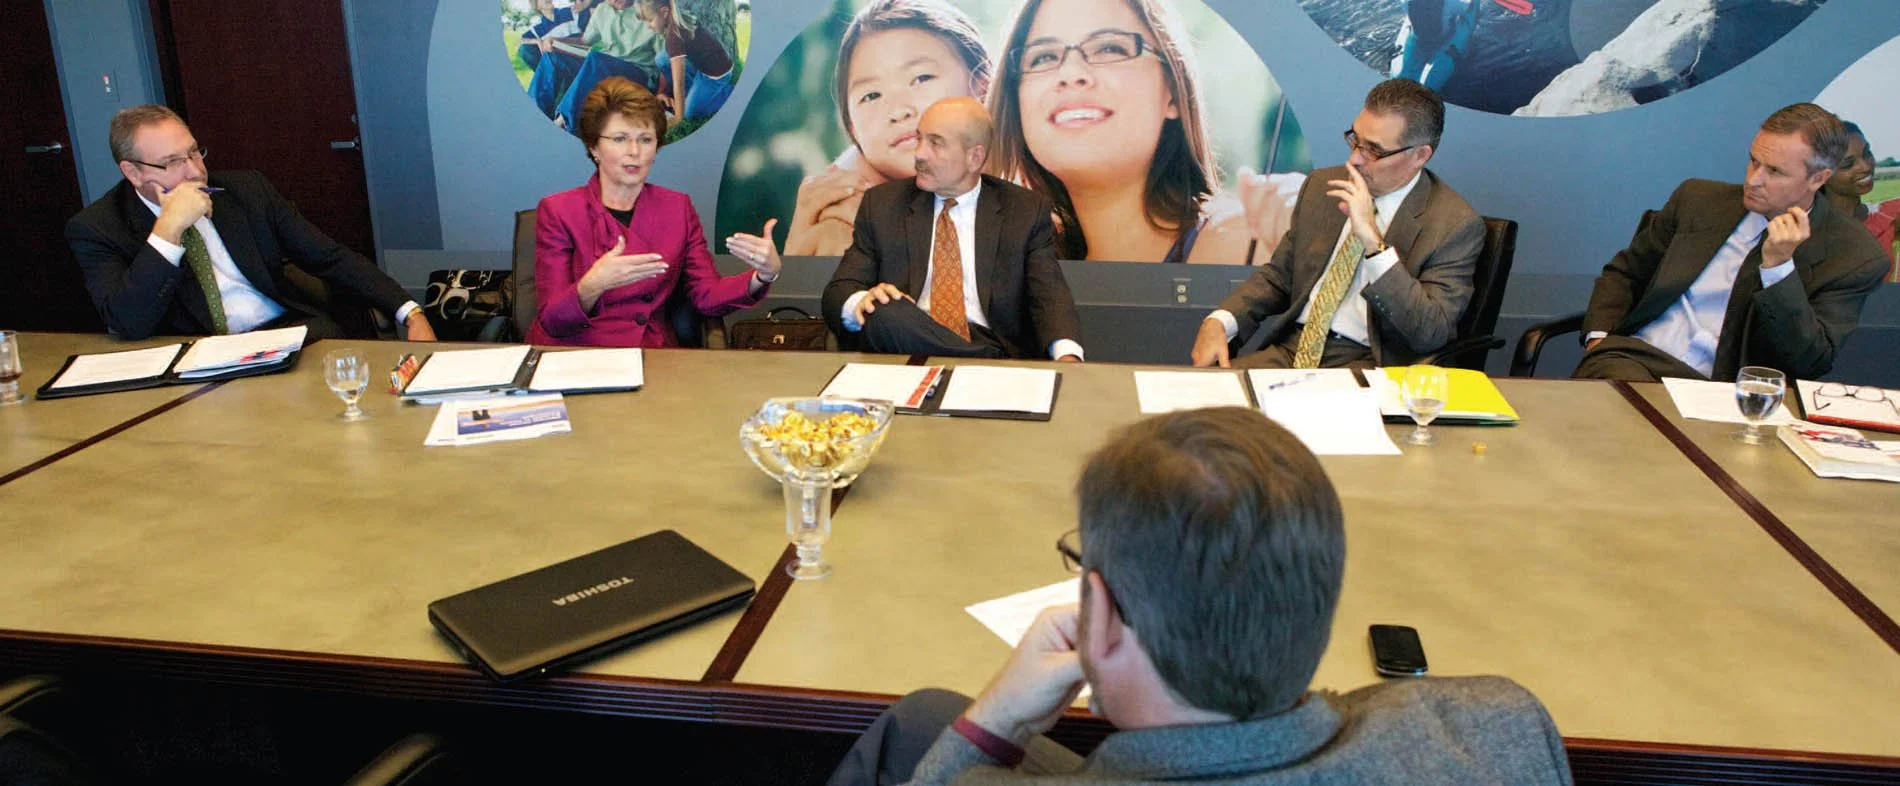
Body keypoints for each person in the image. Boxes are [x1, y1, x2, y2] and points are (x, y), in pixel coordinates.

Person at [825, 407, 1574, 786]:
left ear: (1103, 619)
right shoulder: (1498, 724)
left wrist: (998, 715)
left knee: (933, 724)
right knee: (917, 714)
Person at [65, 105, 435, 342]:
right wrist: (168, 232)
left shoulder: (245, 190)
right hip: (199, 359)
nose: (195, 170)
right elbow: (127, 322)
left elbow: (328, 257)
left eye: (194, 151)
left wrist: (408, 311)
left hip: (286, 337)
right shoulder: (97, 228)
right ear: (132, 171)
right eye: (173, 161)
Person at [1575, 103, 1889, 382]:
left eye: (1775, 172)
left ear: (1818, 178)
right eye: (1754, 161)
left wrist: (1779, 270)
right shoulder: (1697, 200)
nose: (1753, 180)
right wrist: (1599, 341)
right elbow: (1626, 273)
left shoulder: (1854, 255)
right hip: (1636, 363)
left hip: (1732, 394)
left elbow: (1809, 360)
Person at [984, 0, 1304, 264]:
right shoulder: (1006, 273)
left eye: (1110, 48)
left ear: (1174, 93)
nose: (1070, 73)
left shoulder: (1259, 244)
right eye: (1044, 57)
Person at [1190, 79, 1481, 369]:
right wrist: (1221, 320)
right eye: (1355, 140)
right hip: (1291, 352)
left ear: (1419, 155)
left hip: (1368, 364)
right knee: (1202, 403)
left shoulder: (1454, 224)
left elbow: (1429, 333)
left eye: (1373, 150)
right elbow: (1280, 276)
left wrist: (1374, 245)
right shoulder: (1322, 187)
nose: (1354, 159)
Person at [822, 98, 1084, 360]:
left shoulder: (1023, 209)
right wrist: (861, 301)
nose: (920, 154)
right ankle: (980, 359)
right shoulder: (883, 204)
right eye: (919, 139)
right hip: (907, 342)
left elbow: (1048, 294)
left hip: (989, 336)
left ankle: (974, 355)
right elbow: (840, 291)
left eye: (936, 143)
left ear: (975, 157)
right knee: (886, 310)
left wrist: (1067, 355)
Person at [527, 77, 780, 346]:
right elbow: (552, 319)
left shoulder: (677, 208)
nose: (634, 152)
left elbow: (706, 296)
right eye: (620, 139)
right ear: (594, 147)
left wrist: (763, 275)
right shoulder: (558, 210)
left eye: (645, 140)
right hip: (575, 352)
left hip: (647, 354)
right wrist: (593, 284)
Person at [783, 0, 993, 257]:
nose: (897, 110)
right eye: (871, 96)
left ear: (983, 88)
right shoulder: (841, 228)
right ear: (852, 128)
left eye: (921, 78)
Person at [527, 0, 662, 132]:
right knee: (553, 56)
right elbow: (585, 40)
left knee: (598, 60)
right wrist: (557, 41)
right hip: (602, 67)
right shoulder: (602, 9)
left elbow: (665, 59)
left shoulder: (648, 9)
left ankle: (563, 122)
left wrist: (661, 93)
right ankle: (534, 116)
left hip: (636, 72)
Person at [634, 0, 736, 124]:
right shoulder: (676, 19)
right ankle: (696, 92)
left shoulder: (675, 36)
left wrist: (678, 117)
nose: (648, 26)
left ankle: (728, 93)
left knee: (688, 113)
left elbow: (679, 84)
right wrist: (662, 92)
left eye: (650, 20)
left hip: (716, 75)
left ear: (664, 12)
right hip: (702, 66)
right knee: (661, 59)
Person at [1823, 120, 1899, 279]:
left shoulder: (1888, 215)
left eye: (1867, 153)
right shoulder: (1804, 234)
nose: (1865, 166)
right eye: (1848, 164)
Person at [516, 0, 581, 74]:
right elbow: (520, 41)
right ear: (536, 6)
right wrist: (537, 41)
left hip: (577, 57)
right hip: (558, 65)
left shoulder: (569, 11)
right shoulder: (537, 28)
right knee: (524, 49)